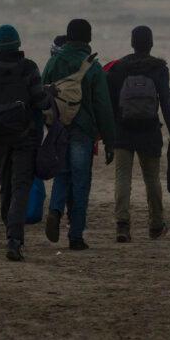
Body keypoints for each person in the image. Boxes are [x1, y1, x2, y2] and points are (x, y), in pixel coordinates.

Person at [43, 19, 116, 251]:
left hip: (58, 129)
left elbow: (42, 92)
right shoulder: (93, 67)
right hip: (82, 132)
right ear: (89, 38)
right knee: (81, 182)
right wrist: (110, 140)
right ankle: (75, 236)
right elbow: (103, 106)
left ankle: (55, 210)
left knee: (62, 175)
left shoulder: (53, 62)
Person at [0, 25, 50, 261]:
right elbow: (41, 101)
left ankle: (9, 227)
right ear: (18, 44)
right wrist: (50, 95)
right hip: (25, 136)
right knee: (21, 187)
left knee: (5, 185)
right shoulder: (29, 68)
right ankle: (14, 238)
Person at [105, 26, 170, 243]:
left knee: (122, 177)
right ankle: (156, 225)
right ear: (151, 43)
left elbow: (109, 103)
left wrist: (107, 134)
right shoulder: (159, 68)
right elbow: (166, 102)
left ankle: (122, 225)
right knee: (152, 179)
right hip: (149, 131)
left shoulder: (119, 68)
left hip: (123, 130)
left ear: (132, 43)